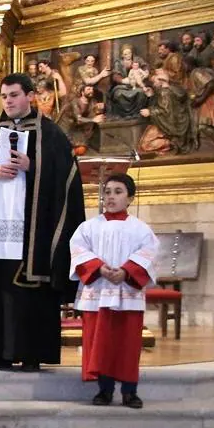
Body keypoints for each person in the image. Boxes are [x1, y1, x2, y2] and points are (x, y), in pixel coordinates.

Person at [0, 72, 86, 372]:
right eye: (4, 96)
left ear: (30, 96)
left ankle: (32, 353)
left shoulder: (51, 134)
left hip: (33, 230)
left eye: (14, 95)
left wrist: (33, 167)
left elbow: (66, 181)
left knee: (31, 292)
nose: (8, 101)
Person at [68, 173, 158, 408]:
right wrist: (99, 268)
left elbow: (149, 253)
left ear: (130, 198)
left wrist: (127, 272)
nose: (111, 197)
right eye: (107, 192)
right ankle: (104, 390)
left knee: (127, 343)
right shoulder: (88, 227)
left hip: (127, 295)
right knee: (100, 342)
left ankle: (130, 391)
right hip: (98, 293)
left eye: (118, 192)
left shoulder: (140, 229)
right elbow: (78, 250)